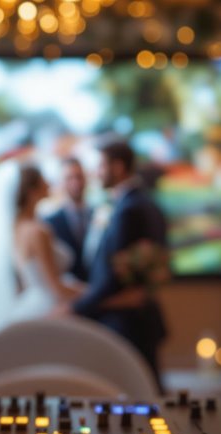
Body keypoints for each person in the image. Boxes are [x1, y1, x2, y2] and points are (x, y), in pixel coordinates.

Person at [68, 139, 169, 394]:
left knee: (134, 398)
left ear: (119, 166)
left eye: (101, 165)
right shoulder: (141, 202)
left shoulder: (130, 209)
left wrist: (76, 307)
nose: (96, 172)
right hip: (134, 318)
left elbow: (115, 276)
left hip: (126, 323)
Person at [0, 161, 81, 345]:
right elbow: (55, 288)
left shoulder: (15, 228)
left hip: (31, 304)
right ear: (32, 190)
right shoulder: (37, 231)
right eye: (43, 180)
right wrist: (94, 293)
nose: (49, 183)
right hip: (50, 308)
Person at [43, 158, 92, 282]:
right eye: (69, 178)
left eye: (79, 176)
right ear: (60, 183)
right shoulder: (49, 222)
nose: (76, 183)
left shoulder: (99, 213)